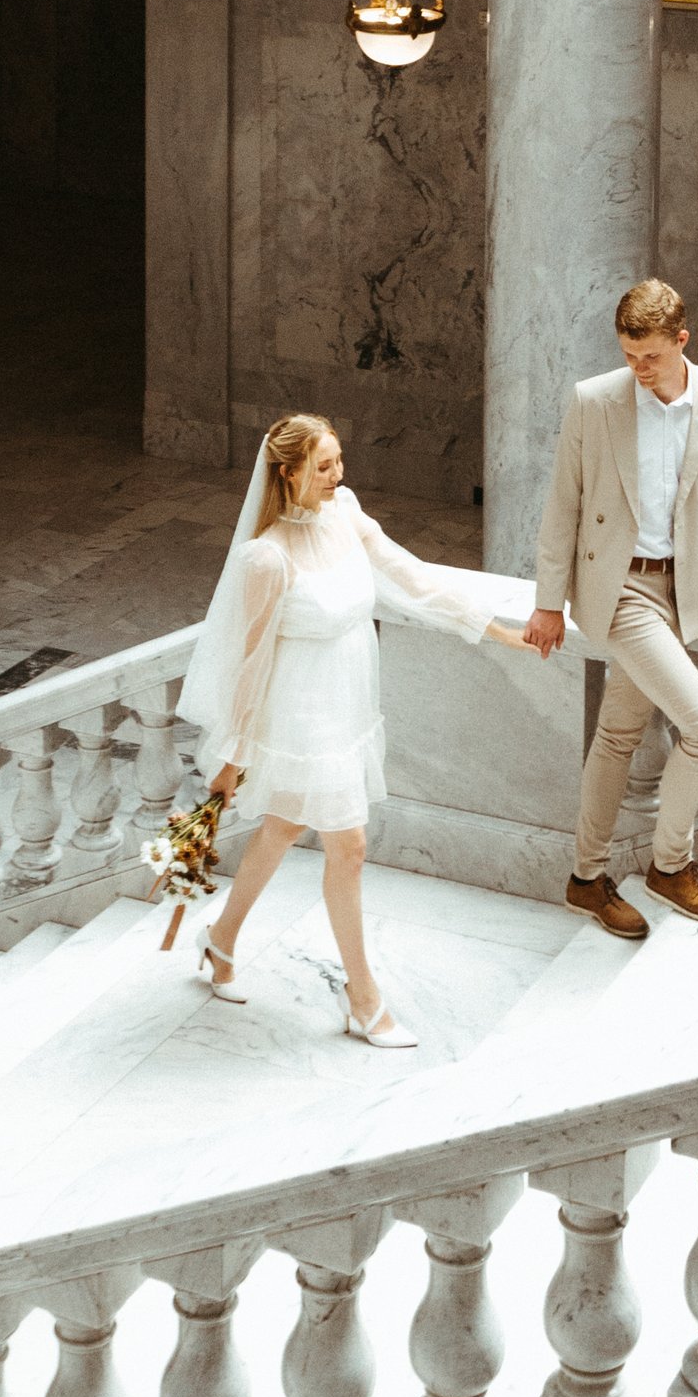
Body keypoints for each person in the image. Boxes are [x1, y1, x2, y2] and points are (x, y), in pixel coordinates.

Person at [187, 409, 524, 1047]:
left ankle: (220, 939)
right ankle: (363, 998)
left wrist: (490, 627)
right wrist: (232, 755)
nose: (337, 476)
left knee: (284, 824)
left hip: (348, 705)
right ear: (285, 475)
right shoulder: (266, 558)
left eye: (339, 461)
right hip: (302, 715)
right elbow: (250, 664)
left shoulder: (345, 513)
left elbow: (409, 574)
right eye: (323, 467)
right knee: (351, 847)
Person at [525, 277, 698, 935]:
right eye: (629, 355)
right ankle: (670, 866)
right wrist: (549, 602)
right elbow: (563, 506)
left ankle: (586, 878)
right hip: (621, 588)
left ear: (681, 341)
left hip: (683, 589)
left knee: (620, 734)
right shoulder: (596, 401)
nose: (638, 368)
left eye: (651, 356)